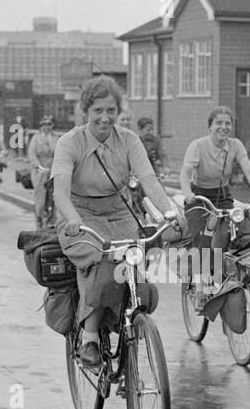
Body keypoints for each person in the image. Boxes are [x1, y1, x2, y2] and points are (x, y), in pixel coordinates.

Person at [54, 76, 187, 367]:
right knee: (103, 264)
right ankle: (89, 336)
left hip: (119, 210)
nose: (105, 117)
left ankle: (128, 321)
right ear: (86, 111)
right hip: (79, 214)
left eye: (111, 110)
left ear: (119, 111)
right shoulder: (70, 142)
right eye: (98, 110)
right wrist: (74, 219)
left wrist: (170, 212)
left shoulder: (128, 140)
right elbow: (60, 192)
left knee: (139, 255)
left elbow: (150, 181)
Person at [180, 106, 250, 299]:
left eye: (228, 123)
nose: (224, 127)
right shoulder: (197, 146)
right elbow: (185, 174)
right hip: (199, 195)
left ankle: (240, 266)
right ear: (210, 126)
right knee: (202, 237)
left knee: (243, 224)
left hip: (222, 194)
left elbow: (249, 171)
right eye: (219, 123)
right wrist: (187, 194)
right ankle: (200, 287)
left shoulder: (235, 145)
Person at [27, 116, 62, 230]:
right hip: (39, 170)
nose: (47, 127)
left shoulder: (56, 138)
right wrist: (38, 165)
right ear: (41, 126)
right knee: (40, 196)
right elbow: (32, 154)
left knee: (55, 195)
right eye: (44, 125)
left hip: (53, 168)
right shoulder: (35, 139)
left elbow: (60, 152)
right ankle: (39, 218)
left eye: (49, 124)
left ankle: (52, 220)